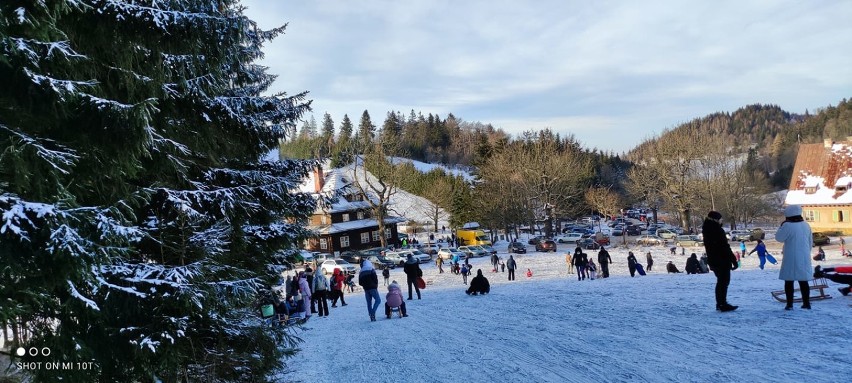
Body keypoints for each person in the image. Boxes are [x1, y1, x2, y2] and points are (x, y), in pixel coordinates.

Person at [775, 205, 814, 310]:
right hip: (804, 255)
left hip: (791, 256)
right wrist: (806, 252)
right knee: (803, 281)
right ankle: (806, 303)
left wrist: (781, 226)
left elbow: (779, 238)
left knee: (789, 280)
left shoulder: (788, 225)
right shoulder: (806, 225)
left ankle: (789, 304)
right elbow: (810, 241)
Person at [702, 211, 739, 312]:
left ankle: (721, 303)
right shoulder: (718, 230)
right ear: (715, 219)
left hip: (713, 259)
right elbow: (724, 247)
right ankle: (722, 303)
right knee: (723, 282)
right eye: (720, 219)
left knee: (721, 282)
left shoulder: (706, 229)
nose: (721, 220)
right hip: (722, 259)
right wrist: (733, 259)